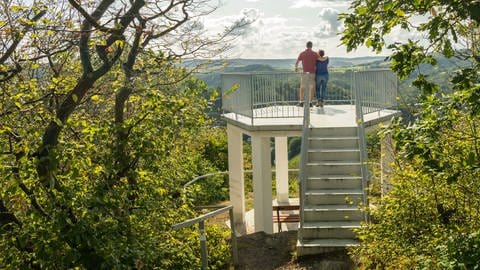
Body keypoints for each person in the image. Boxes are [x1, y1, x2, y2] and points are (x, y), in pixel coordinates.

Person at [295, 41, 318, 106]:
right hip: (312, 73)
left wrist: (296, 68)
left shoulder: (302, 53)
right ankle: (310, 102)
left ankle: (301, 102)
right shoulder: (315, 54)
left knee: (302, 88)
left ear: (306, 46)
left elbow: (297, 62)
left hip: (304, 73)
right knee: (312, 88)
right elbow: (319, 60)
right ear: (311, 46)